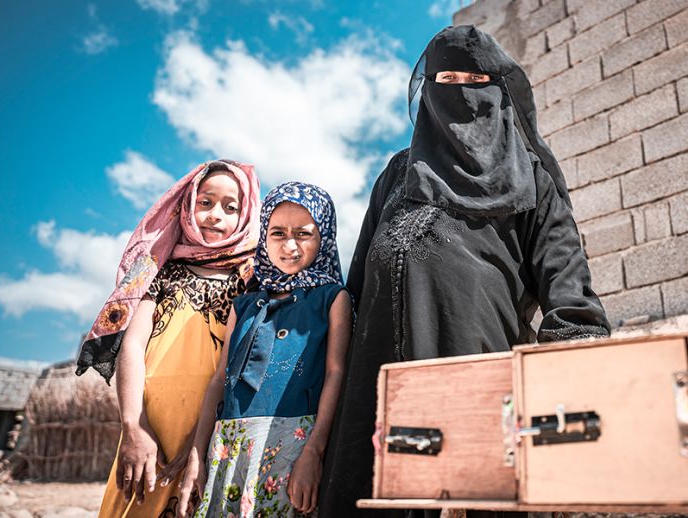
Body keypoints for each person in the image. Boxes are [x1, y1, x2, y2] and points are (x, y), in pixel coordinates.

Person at [319, 25, 611, 517]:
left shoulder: (533, 181)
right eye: (446, 76)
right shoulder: (398, 173)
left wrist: (568, 388)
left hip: (476, 392)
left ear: (497, 88)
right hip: (374, 396)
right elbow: (357, 286)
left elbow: (571, 295)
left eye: (474, 79)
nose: (459, 92)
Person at [75, 159, 261, 517]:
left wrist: (199, 446)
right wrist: (133, 426)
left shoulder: (248, 279)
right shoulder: (160, 269)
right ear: (186, 206)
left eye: (230, 207)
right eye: (205, 203)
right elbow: (132, 346)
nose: (214, 216)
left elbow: (233, 366)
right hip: (149, 426)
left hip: (209, 431)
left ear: (246, 213)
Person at [177, 182, 352, 517]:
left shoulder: (332, 299)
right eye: (277, 233)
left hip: (292, 447)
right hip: (228, 446)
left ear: (325, 237)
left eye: (303, 234)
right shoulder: (244, 305)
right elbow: (219, 380)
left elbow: (336, 373)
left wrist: (314, 451)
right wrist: (197, 458)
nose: (290, 245)